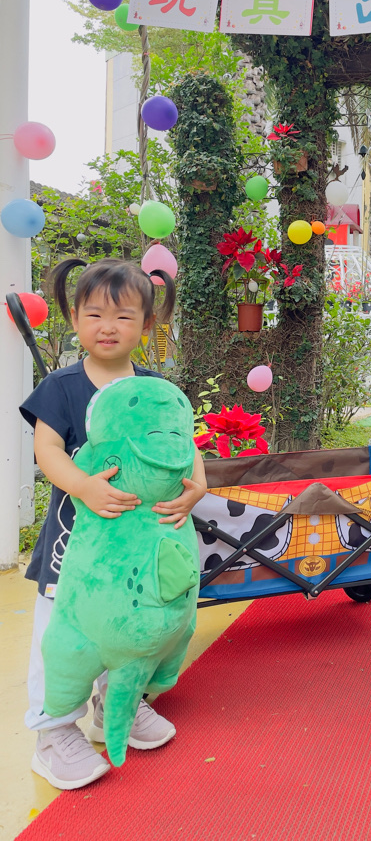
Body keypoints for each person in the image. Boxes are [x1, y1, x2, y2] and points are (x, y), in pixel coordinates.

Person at [20, 257, 208, 789]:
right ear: (74, 318)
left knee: (130, 622)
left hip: (140, 548)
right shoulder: (61, 386)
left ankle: (114, 705)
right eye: (95, 314)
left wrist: (197, 485)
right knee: (63, 636)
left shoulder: (154, 387)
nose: (108, 327)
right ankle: (53, 732)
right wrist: (84, 486)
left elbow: (184, 443)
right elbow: (47, 450)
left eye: (124, 316)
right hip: (76, 548)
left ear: (147, 324)